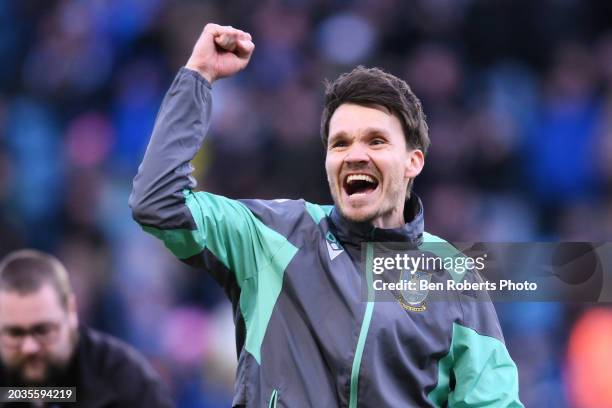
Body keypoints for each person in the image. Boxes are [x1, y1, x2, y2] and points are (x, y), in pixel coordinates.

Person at [130, 23, 523, 407]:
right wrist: (198, 76)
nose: (354, 154)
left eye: (376, 140)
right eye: (340, 143)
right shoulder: (272, 237)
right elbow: (158, 201)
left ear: (412, 162)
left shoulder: (451, 274)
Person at [0, 249, 175, 407]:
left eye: (43, 330)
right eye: (14, 333)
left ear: (71, 311)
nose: (29, 347)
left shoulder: (127, 384)